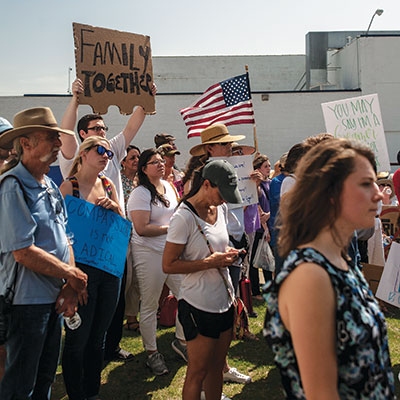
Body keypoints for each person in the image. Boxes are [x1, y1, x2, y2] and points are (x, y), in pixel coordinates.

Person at [264, 138, 395, 399]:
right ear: (330, 194)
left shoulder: (339, 260)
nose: (379, 194)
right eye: (366, 184)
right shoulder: (310, 275)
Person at [60, 78, 155, 361]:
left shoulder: (110, 154)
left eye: (104, 130)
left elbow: (132, 127)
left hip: (112, 247)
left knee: (111, 305)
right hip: (84, 254)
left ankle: (109, 348)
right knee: (86, 316)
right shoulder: (74, 157)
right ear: (84, 137)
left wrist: (145, 100)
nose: (103, 135)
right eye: (97, 130)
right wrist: (76, 99)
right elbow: (65, 131)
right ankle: (80, 361)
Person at [0, 107, 88, 399]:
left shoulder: (49, 185)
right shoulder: (12, 187)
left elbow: (67, 238)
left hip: (55, 299)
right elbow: (23, 252)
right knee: (21, 385)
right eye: (51, 138)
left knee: (45, 378)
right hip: (27, 304)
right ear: (26, 143)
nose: (59, 145)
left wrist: (71, 285)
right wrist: (71, 274)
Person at [162, 159, 242, 400]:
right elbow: (168, 264)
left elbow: (217, 243)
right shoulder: (183, 217)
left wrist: (227, 252)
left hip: (224, 299)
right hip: (198, 304)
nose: (225, 199)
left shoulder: (221, 209)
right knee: (197, 371)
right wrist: (210, 263)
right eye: (222, 193)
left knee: (217, 368)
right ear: (206, 184)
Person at [59, 136, 124, 400]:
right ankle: (76, 393)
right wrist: (73, 278)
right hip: (81, 271)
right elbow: (62, 236)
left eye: (109, 153)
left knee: (99, 336)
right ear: (83, 153)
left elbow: (122, 224)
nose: (106, 156)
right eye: (100, 150)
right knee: (78, 338)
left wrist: (116, 208)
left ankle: (92, 391)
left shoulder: (108, 185)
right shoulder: (69, 187)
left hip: (109, 270)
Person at [188, 123, 252, 385]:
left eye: (230, 143)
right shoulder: (202, 176)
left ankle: (220, 368)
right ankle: (213, 370)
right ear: (209, 148)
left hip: (232, 241)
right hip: (214, 250)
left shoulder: (234, 169)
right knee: (214, 314)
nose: (230, 147)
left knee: (229, 303)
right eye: (224, 143)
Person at [127, 148, 185, 376]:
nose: (160, 164)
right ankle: (152, 353)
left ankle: (180, 341)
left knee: (187, 296)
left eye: (161, 161)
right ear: (144, 169)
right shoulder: (140, 193)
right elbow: (141, 229)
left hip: (171, 252)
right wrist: (173, 228)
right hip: (148, 253)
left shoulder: (169, 187)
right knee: (150, 304)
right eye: (154, 162)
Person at [121, 145, 141, 332]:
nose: (136, 160)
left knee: (135, 279)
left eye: (138, 157)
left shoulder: (141, 182)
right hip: (121, 236)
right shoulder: (116, 181)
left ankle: (132, 316)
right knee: (124, 279)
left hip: (138, 236)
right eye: (132, 157)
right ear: (123, 162)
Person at [248, 154, 272, 298]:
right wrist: (264, 227)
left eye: (269, 166)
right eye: (265, 166)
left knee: (268, 259)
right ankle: (255, 290)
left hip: (268, 223)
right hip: (259, 226)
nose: (268, 169)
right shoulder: (256, 185)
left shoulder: (270, 182)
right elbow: (257, 205)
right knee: (254, 261)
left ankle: (269, 288)